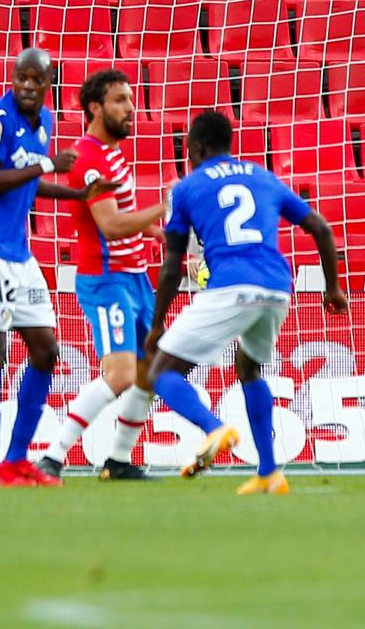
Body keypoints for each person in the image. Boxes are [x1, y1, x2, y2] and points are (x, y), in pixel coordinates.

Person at [145, 111, 348, 495]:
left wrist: (158, 325)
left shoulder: (186, 189)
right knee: (249, 368)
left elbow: (172, 266)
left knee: (160, 373)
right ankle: (269, 472)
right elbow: (320, 227)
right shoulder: (263, 177)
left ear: (197, 148)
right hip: (277, 287)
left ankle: (213, 429)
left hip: (230, 286)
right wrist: (332, 288)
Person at [0, 48, 117, 488]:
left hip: (18, 255)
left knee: (46, 349)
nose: (25, 85)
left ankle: (19, 460)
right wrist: (47, 163)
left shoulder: (44, 127)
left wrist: (76, 195)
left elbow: (30, 182)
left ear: (47, 84)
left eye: (34, 79)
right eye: (19, 77)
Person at [35, 69, 166, 482]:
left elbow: (119, 217)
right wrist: (164, 206)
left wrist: (153, 230)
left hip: (136, 277)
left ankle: (118, 460)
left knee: (150, 371)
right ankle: (52, 457)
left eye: (131, 99)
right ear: (95, 107)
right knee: (122, 374)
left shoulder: (113, 153)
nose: (131, 108)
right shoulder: (89, 159)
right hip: (107, 280)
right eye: (120, 101)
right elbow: (109, 226)